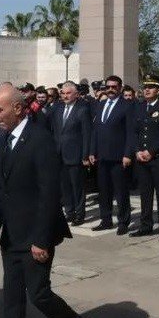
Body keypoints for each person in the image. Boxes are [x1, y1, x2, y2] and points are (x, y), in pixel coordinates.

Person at [0, 83, 94, 318]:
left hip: (36, 234)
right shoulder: (4, 139)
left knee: (39, 294)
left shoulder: (40, 140)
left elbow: (49, 195)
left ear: (17, 108)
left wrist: (41, 239)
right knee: (12, 295)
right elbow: (0, 188)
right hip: (12, 233)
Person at [130, 74, 159, 241]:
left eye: (151, 87)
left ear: (158, 90)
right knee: (145, 193)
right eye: (145, 87)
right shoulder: (140, 107)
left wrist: (151, 151)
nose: (147, 90)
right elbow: (134, 131)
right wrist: (137, 150)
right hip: (141, 157)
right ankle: (146, 225)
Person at [89, 75, 133, 234]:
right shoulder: (100, 105)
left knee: (121, 192)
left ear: (120, 88)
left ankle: (123, 222)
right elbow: (95, 130)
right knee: (104, 191)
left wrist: (128, 154)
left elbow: (130, 133)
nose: (110, 89)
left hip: (118, 156)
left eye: (114, 87)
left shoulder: (127, 106)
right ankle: (106, 220)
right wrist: (92, 150)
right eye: (108, 87)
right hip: (102, 156)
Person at [49, 81, 92, 226]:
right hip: (59, 154)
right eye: (63, 93)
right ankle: (70, 212)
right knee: (64, 186)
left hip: (75, 155)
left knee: (77, 187)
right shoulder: (57, 108)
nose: (65, 96)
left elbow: (87, 134)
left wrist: (86, 155)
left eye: (68, 93)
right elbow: (53, 129)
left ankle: (80, 214)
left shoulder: (82, 109)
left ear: (76, 94)